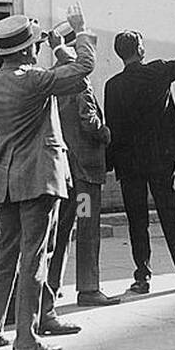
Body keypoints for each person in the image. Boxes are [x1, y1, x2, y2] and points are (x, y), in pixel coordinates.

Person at [0, 3, 95, 350]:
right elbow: (83, 68)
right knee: (34, 258)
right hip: (39, 178)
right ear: (27, 49)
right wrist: (76, 32)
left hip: (5, 180)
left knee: (6, 256)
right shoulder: (35, 79)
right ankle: (25, 339)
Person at [104, 13, 175, 293]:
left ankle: (142, 278)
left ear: (120, 55)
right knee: (172, 217)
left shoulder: (113, 86)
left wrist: (109, 165)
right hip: (162, 159)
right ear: (141, 51)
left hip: (130, 163)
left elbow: (112, 127)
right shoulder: (158, 70)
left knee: (137, 222)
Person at [49, 26, 120, 309]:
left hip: (64, 170)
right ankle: (89, 288)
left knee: (61, 230)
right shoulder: (80, 82)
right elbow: (88, 122)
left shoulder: (52, 77)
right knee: (87, 228)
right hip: (85, 173)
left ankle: (51, 285)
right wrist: (105, 132)